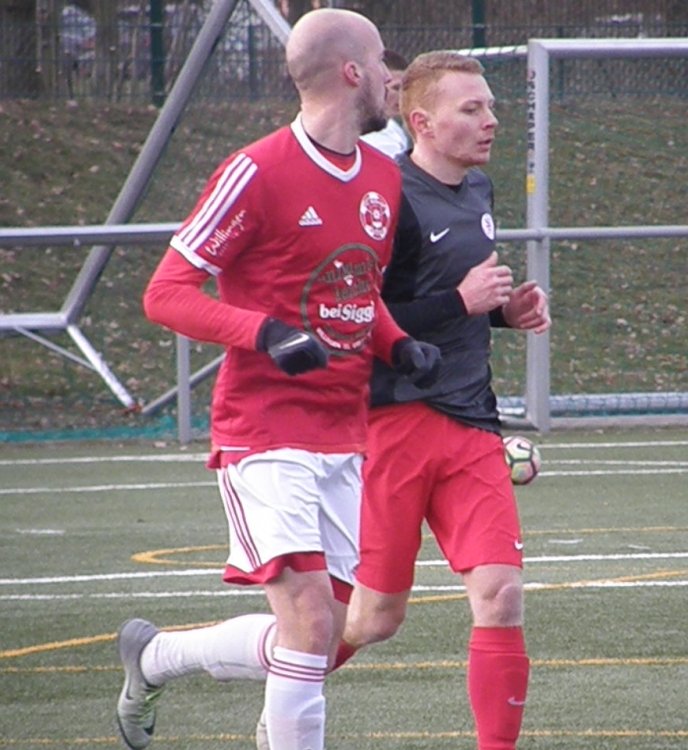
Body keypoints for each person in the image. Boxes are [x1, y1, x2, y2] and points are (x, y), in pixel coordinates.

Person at [113, 9, 439, 750]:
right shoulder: (256, 171)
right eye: (381, 63)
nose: (392, 78)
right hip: (264, 434)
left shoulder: (383, 177)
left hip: (345, 436)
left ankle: (157, 657)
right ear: (352, 72)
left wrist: (397, 346)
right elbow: (166, 293)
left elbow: (355, 289)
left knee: (330, 632)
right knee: (310, 621)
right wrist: (263, 333)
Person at [335, 49, 551, 750]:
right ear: (423, 123)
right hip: (392, 425)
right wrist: (460, 300)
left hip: (472, 425)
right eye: (472, 108)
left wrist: (503, 314)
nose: (492, 120)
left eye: (491, 106)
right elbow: (356, 318)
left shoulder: (477, 189)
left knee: (502, 595)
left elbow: (456, 305)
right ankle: (287, 684)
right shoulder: (384, 198)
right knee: (373, 620)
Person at [359, 49, 410, 159]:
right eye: (396, 88)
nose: (403, 96)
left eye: (407, 89)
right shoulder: (377, 142)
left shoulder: (401, 133)